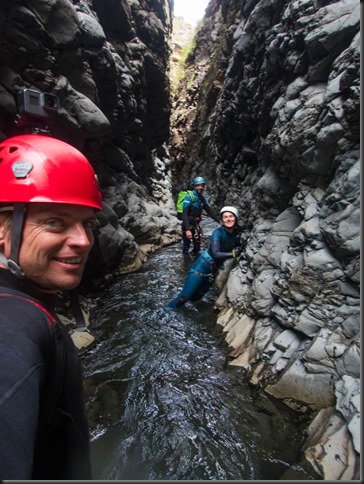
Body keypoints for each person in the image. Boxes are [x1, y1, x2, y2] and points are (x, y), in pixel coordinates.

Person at [0, 134, 102, 479]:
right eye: (55, 221)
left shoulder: (24, 304)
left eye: (88, 223)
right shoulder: (12, 325)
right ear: (2, 229)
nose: (84, 240)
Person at [166, 206, 244, 309]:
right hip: (201, 267)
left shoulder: (235, 233)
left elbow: (233, 242)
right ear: (222, 220)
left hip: (213, 270)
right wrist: (233, 254)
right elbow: (216, 253)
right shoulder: (218, 233)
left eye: (231, 216)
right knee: (183, 298)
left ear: (236, 218)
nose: (228, 219)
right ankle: (164, 312)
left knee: (196, 298)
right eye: (225, 217)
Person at [181, 176, 220, 256]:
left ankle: (194, 263)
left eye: (202, 185)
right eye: (198, 185)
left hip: (196, 225)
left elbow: (210, 212)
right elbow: (184, 214)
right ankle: (185, 264)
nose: (200, 187)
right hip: (188, 225)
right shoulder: (189, 197)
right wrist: (187, 229)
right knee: (186, 247)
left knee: (197, 248)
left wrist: (220, 222)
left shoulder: (202, 198)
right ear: (195, 186)